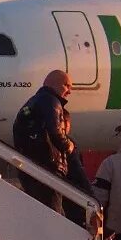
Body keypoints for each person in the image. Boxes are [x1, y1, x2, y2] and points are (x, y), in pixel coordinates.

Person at [13, 69, 89, 222]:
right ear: (53, 83)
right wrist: (68, 146)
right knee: (53, 218)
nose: (69, 92)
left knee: (41, 216)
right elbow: (55, 131)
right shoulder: (51, 101)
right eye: (67, 86)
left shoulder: (32, 102)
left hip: (32, 168)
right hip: (49, 168)